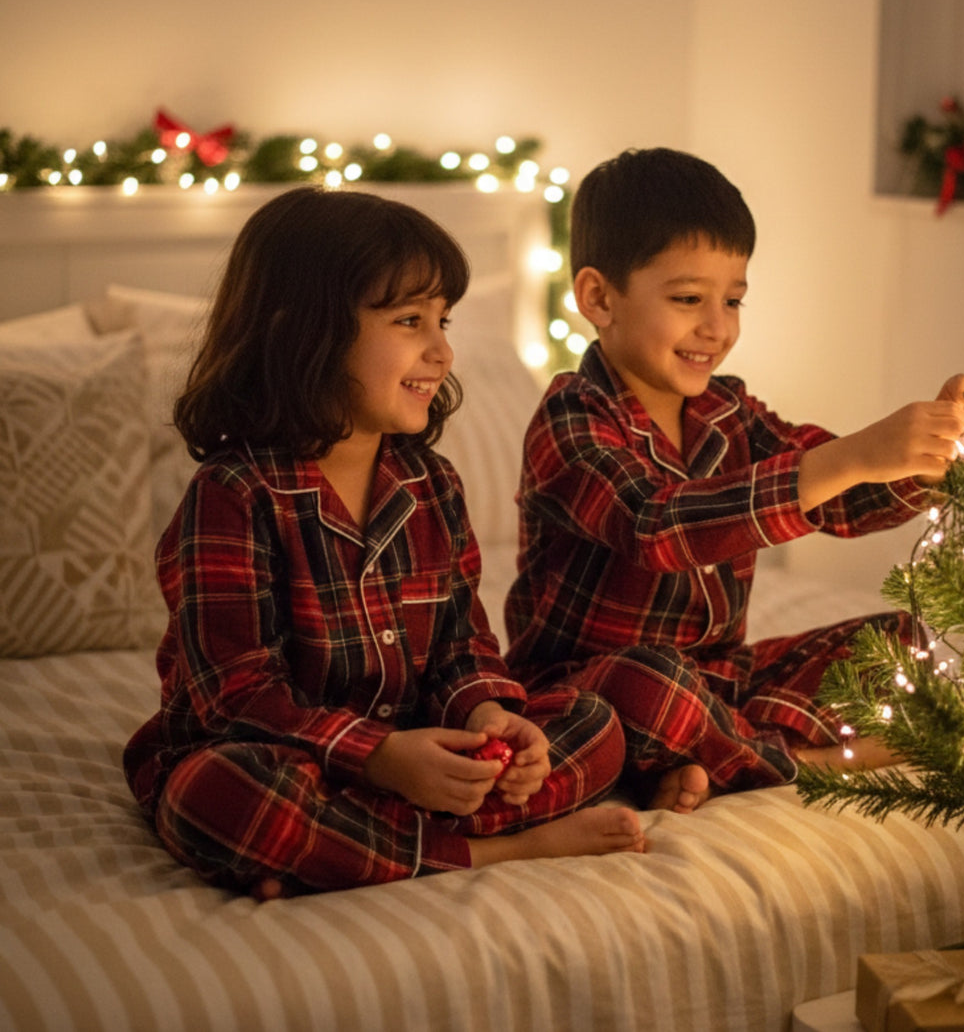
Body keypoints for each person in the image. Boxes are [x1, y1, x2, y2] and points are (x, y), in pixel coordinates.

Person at [123, 186, 644, 898]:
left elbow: (461, 649)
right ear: (305, 332)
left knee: (591, 723)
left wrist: (490, 716)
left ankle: (347, 850)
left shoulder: (431, 485)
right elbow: (238, 695)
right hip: (284, 756)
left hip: (420, 748)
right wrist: (380, 759)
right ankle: (501, 849)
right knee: (216, 798)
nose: (442, 349)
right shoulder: (236, 494)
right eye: (409, 321)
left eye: (444, 320)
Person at [503, 147, 964, 814]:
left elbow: (838, 500)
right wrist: (855, 455)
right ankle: (805, 761)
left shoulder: (731, 411)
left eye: (733, 300)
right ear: (597, 297)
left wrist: (925, 461)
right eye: (688, 299)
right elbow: (660, 525)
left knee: (899, 640)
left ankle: (705, 760)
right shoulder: (571, 419)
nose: (718, 327)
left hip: (722, 681)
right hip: (590, 689)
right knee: (652, 685)